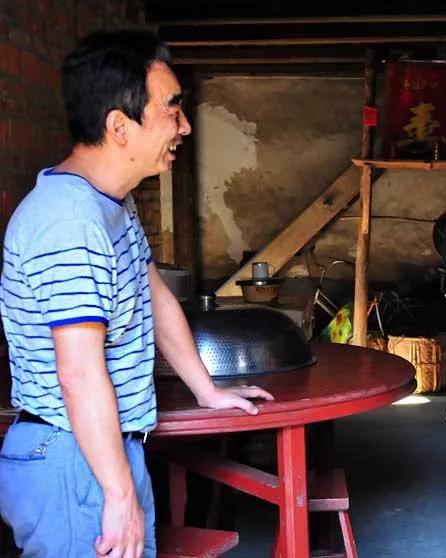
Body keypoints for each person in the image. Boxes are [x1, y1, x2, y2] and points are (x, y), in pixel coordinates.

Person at [0, 30, 273, 558]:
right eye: (172, 108)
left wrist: (206, 390)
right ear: (119, 127)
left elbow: (158, 299)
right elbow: (79, 372)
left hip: (100, 454)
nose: (184, 126)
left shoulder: (111, 205)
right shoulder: (69, 223)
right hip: (74, 460)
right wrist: (119, 493)